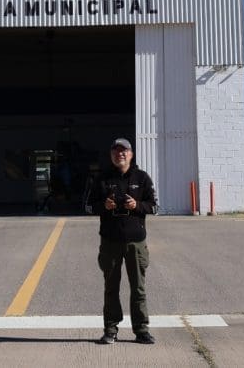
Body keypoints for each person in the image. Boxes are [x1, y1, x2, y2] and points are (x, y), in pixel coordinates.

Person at [87, 137, 158, 345]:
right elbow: (89, 206)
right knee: (111, 287)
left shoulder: (142, 178)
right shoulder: (102, 179)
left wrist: (136, 205)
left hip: (136, 243)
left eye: (124, 151)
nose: (121, 154)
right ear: (111, 155)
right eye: (116, 151)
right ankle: (110, 329)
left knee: (138, 287)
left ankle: (141, 330)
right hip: (110, 242)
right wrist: (104, 206)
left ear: (131, 154)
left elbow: (154, 206)